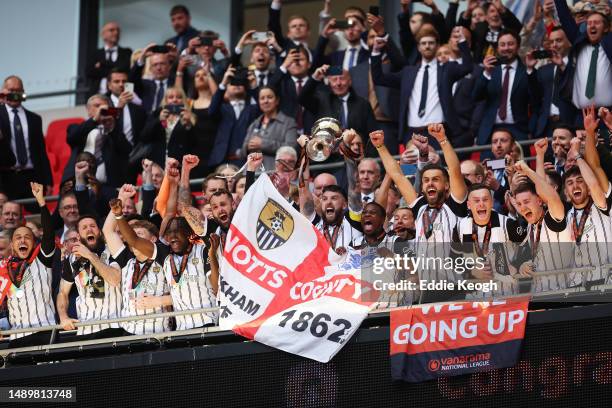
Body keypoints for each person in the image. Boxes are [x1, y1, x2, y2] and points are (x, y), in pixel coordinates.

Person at [371, 125, 467, 302]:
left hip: (454, 288)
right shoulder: (419, 206)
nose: (430, 184)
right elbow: (397, 175)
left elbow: (454, 170)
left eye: (436, 180)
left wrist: (442, 140)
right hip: (425, 290)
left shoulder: (455, 205)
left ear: (446, 186)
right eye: (426, 180)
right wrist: (381, 147)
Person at [371, 27, 473, 147]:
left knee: (437, 166)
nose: (427, 46)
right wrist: (376, 52)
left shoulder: (446, 69)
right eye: (423, 43)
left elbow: (467, 67)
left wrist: (462, 42)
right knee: (412, 166)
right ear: (419, 47)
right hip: (411, 133)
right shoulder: (408, 72)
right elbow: (379, 79)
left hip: (437, 132)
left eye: (431, 43)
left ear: (437, 45)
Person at [104, 192, 172, 335]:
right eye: (131, 236)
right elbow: (108, 231)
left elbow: (182, 293)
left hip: (158, 332)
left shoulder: (164, 257)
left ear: (153, 239)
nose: (132, 239)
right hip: (128, 333)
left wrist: (160, 301)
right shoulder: (126, 259)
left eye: (139, 234)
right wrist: (121, 198)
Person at [1, 183, 56, 348]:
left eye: (27, 237)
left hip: (45, 332)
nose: (23, 240)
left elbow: (49, 234)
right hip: (17, 336)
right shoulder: (3, 269)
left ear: (34, 243)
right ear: (12, 245)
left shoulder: (42, 261)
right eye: (18, 237)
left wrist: (41, 201)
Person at [451, 183, 527, 299]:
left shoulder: (508, 224)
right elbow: (454, 260)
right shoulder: (459, 227)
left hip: (507, 294)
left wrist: (518, 265)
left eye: (485, 199)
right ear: (469, 205)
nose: (481, 204)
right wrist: (471, 272)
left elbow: (528, 249)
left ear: (491, 203)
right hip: (474, 297)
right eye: (476, 201)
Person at [564, 107, 612, 287]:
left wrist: (588, 137)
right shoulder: (567, 216)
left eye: (579, 181)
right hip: (578, 283)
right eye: (570, 183)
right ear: (566, 194)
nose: (575, 186)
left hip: (606, 279)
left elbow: (595, 170)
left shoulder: (601, 203)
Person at [57, 215, 123, 339]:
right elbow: (62, 293)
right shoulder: (71, 259)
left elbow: (114, 280)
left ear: (99, 232)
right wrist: (63, 317)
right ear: (78, 236)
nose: (89, 230)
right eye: (84, 227)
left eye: (93, 226)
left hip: (114, 326)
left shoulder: (112, 251)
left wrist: (90, 256)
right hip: (86, 329)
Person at [512, 161, 572, 293]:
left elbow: (552, 198)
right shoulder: (530, 227)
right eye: (519, 204)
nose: (523, 207)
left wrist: (528, 171)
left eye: (526, 201)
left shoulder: (552, 219)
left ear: (539, 200)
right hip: (539, 294)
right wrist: (523, 267)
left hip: (562, 295)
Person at [473, 30, 540, 144]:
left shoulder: (526, 71)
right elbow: (476, 96)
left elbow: (536, 101)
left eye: (510, 44)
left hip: (518, 131)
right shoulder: (490, 70)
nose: (506, 48)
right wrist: (487, 73)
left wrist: (530, 70)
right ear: (497, 48)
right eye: (502, 44)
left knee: (517, 162)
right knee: (490, 163)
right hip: (491, 130)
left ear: (518, 46)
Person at [0, 76, 53, 202]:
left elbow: (41, 151)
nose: (15, 94)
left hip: (31, 176)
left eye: (18, 90)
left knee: (38, 216)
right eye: (11, 90)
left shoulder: (34, 118)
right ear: (3, 91)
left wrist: (48, 180)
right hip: (5, 176)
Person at [554, 1, 612, 115]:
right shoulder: (578, 41)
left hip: (608, 116)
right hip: (580, 116)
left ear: (606, 29)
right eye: (589, 23)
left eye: (596, 23)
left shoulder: (610, 43)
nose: (592, 26)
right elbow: (564, 17)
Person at [62, 94, 132, 188]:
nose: (101, 110)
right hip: (77, 183)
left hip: (107, 185)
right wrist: (94, 120)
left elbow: (126, 149)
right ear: (88, 110)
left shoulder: (113, 130)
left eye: (104, 108)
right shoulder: (77, 128)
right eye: (97, 106)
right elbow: (72, 136)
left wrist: (111, 126)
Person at [207, 65, 260, 169]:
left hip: (247, 160)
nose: (237, 84)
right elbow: (211, 111)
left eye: (241, 81)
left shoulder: (253, 109)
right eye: (232, 81)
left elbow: (265, 108)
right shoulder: (222, 108)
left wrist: (254, 86)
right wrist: (223, 83)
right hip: (222, 160)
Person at [534, 27, 578, 137]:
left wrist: (562, 66)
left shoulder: (579, 65)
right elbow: (535, 98)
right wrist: (530, 70)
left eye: (558, 40)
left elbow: (575, 91)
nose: (554, 45)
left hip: (570, 124)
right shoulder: (544, 69)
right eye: (551, 42)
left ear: (569, 42)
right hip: (546, 127)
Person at [241, 86, 298, 169]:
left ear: (277, 101)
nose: (265, 101)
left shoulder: (289, 122)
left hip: (275, 173)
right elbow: (242, 151)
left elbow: (291, 148)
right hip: (253, 174)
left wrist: (263, 144)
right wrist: (247, 147)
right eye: (262, 98)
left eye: (270, 97)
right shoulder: (254, 123)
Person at [140, 86, 196, 166]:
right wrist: (158, 120)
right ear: (166, 100)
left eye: (179, 97)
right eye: (171, 97)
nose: (175, 100)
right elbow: (144, 137)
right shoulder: (157, 114)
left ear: (183, 100)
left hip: (177, 163)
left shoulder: (190, 117)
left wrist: (188, 125)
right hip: (157, 162)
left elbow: (193, 143)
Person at [267, 46, 315, 135]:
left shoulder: (316, 83)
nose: (296, 63)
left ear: (309, 64)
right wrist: (284, 65)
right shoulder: (282, 84)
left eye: (300, 59)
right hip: (285, 134)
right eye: (292, 60)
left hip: (312, 134)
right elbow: (268, 90)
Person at [87, 22, 132, 96]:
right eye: (112, 30)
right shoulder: (95, 53)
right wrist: (116, 68)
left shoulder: (127, 52)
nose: (116, 33)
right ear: (103, 35)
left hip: (122, 96)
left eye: (118, 30)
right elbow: (89, 72)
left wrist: (102, 64)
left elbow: (126, 70)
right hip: (98, 97)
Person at [129, 46, 176, 113]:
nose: (159, 68)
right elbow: (131, 81)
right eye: (155, 65)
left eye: (162, 64)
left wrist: (176, 58)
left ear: (169, 66)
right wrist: (142, 58)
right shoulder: (145, 85)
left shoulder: (175, 83)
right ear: (150, 68)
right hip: (149, 121)